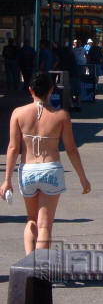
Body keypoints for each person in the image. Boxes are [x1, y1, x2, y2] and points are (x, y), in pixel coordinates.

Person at [0, 73, 91, 254]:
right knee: (45, 225)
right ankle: (41, 271)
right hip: (51, 169)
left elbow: (12, 148)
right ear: (51, 90)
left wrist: (7, 179)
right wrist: (83, 178)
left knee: (31, 220)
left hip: (28, 170)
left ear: (30, 90)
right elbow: (71, 149)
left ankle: (29, 267)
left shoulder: (18, 113)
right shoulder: (61, 116)